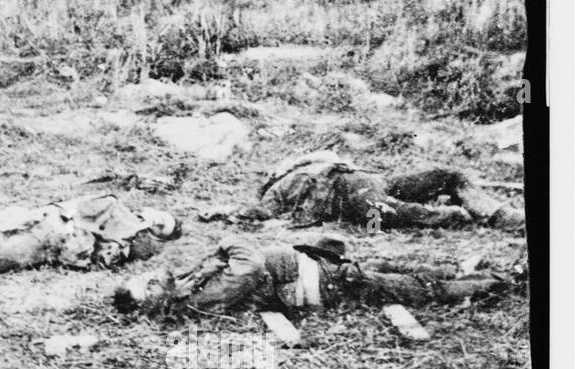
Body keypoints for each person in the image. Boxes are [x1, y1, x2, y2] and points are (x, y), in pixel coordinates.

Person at [114, 232, 520, 321]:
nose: (152, 276)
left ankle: (473, 273)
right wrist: (227, 242)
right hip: (323, 283)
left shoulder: (185, 286)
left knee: (401, 273)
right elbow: (251, 266)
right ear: (152, 301)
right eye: (147, 286)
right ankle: (505, 282)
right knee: (418, 288)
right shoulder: (197, 298)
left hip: (317, 272)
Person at [213, 150, 525, 232]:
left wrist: (230, 213)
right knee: (447, 176)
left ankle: (460, 214)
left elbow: (261, 212)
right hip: (370, 181)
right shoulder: (291, 177)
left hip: (355, 186)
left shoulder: (281, 185)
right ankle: (484, 212)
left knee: (380, 213)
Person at [0, 194, 182, 274]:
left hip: (53, 248)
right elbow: (72, 207)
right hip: (51, 231)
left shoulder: (130, 241)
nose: (155, 222)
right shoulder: (114, 204)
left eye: (160, 228)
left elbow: (100, 258)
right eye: (161, 217)